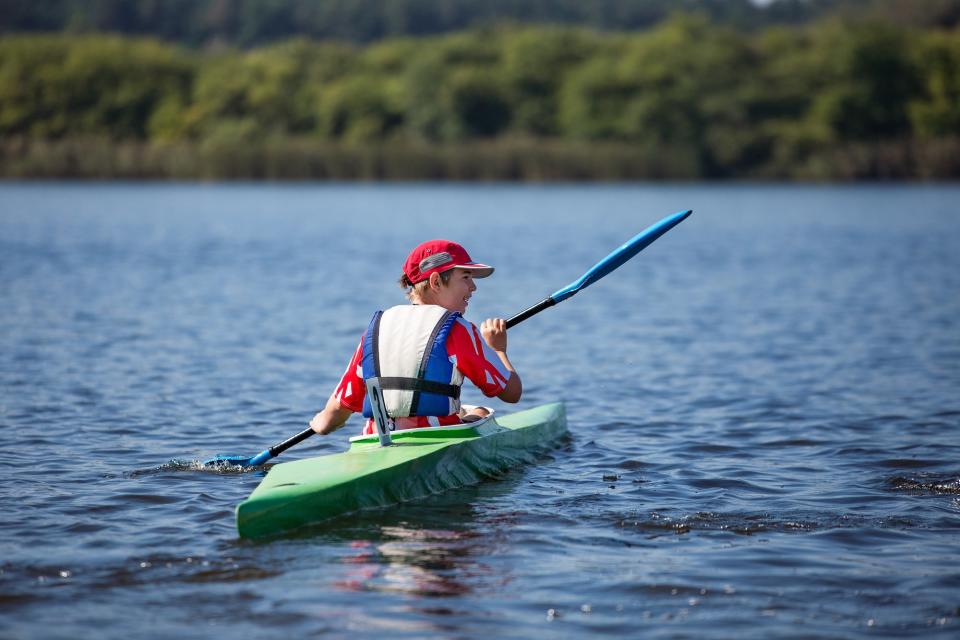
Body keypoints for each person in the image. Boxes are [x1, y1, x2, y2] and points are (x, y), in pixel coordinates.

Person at [309, 239, 522, 437]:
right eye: (466, 277)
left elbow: (331, 417)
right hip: (437, 440)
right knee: (481, 412)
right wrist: (498, 348)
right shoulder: (459, 329)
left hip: (377, 440)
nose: (473, 287)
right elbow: (512, 393)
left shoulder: (375, 330)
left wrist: (320, 422)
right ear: (436, 282)